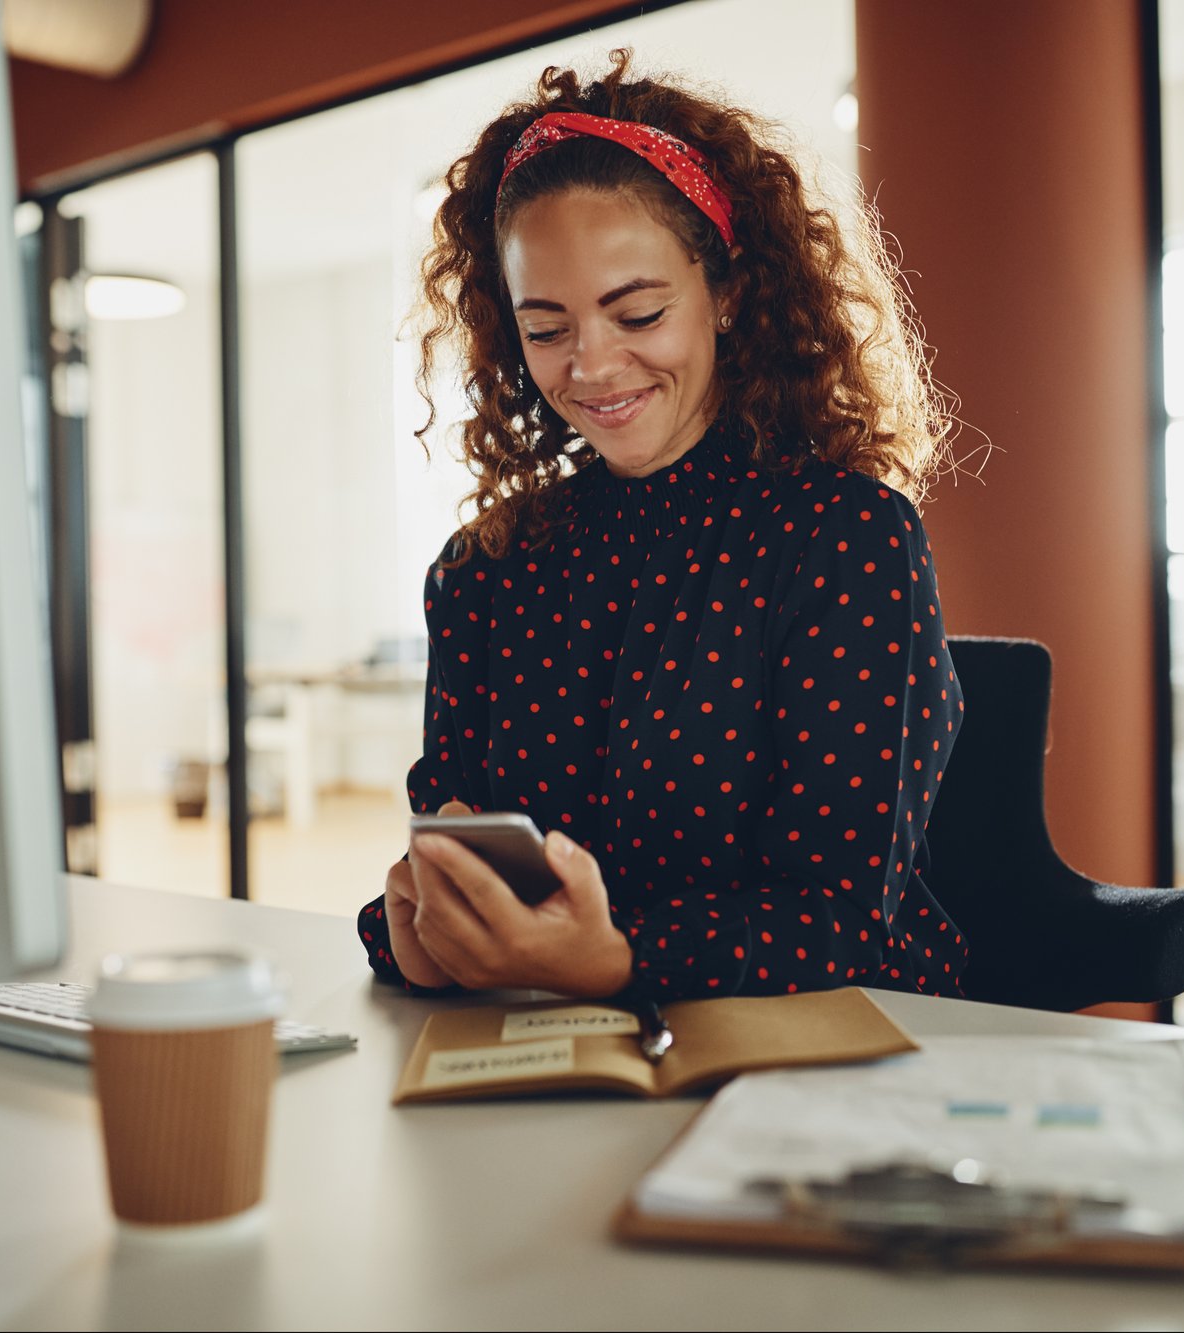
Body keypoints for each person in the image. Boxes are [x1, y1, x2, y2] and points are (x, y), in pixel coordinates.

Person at [356, 51, 965, 1003]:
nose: (592, 367)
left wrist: (616, 959)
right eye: (547, 329)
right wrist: (423, 938)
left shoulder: (847, 540)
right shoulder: (482, 570)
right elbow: (456, 855)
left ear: (726, 293)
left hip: (824, 1045)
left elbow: (837, 917)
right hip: (559, 1046)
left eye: (636, 312)